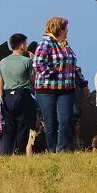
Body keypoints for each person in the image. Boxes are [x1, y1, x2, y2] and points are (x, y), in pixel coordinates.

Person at [32, 17, 86, 153]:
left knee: (66, 119)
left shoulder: (65, 45)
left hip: (66, 89)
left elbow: (73, 67)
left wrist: (83, 83)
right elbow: (38, 62)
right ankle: (52, 149)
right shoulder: (46, 43)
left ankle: (62, 149)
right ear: (59, 29)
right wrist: (51, 75)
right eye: (66, 28)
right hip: (47, 90)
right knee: (50, 122)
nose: (67, 31)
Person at [0, 34, 36, 155]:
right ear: (22, 45)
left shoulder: (2, 62)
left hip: (7, 96)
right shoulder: (27, 61)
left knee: (9, 128)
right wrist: (34, 61)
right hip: (23, 94)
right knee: (23, 127)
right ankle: (20, 152)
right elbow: (33, 80)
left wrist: (2, 99)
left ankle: (5, 153)